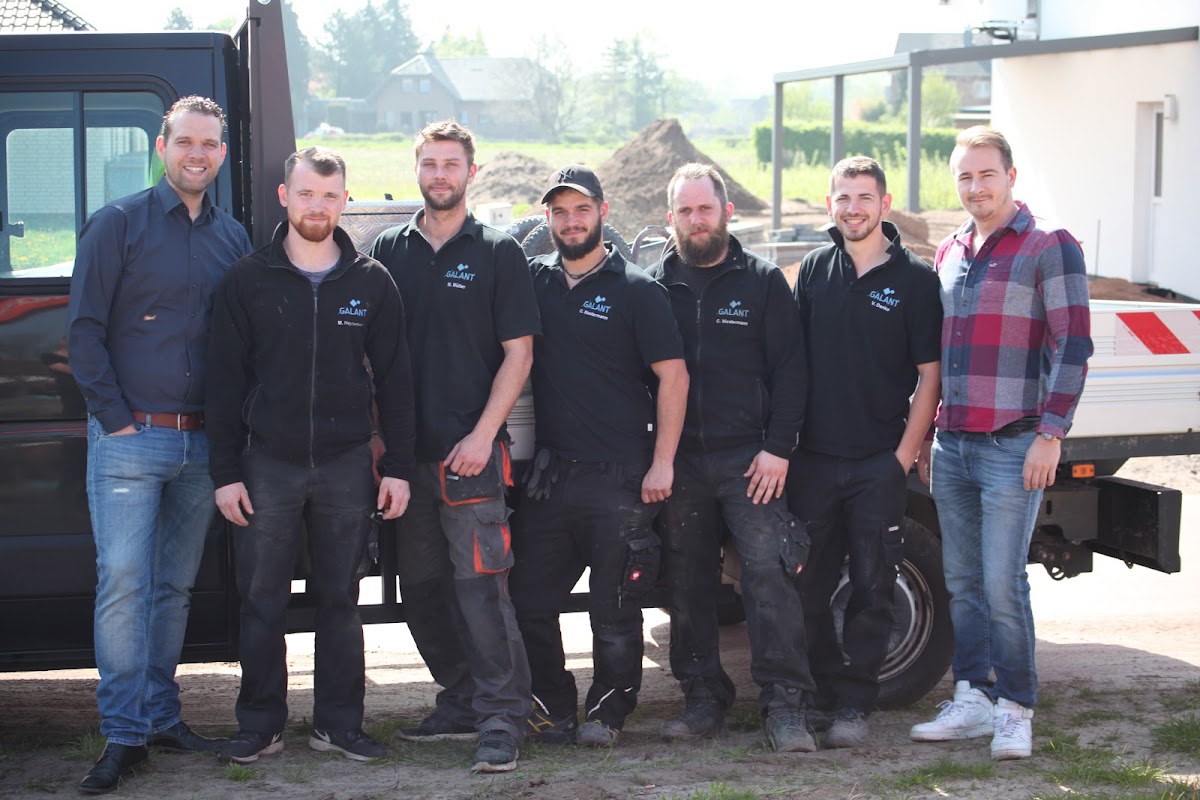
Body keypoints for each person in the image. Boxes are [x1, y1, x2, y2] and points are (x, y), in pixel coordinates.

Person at [204, 146, 414, 765]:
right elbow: (223, 384)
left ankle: (339, 725)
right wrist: (225, 473)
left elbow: (396, 381)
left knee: (340, 598)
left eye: (328, 196)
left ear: (344, 201)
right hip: (266, 462)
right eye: (305, 194)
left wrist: (398, 467)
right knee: (261, 599)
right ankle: (260, 725)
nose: (316, 206)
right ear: (284, 197)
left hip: (347, 463)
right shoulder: (247, 280)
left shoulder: (372, 282)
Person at [66, 95, 251, 794]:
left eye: (208, 144)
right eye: (184, 142)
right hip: (130, 438)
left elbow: (240, 343)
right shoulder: (118, 224)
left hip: (201, 446)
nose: (196, 154)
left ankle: (160, 716)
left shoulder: (232, 237)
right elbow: (83, 329)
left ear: (222, 153)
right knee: (123, 582)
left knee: (173, 587)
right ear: (161, 146)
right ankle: (122, 735)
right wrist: (115, 419)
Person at [910, 126, 1092, 760]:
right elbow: (938, 357)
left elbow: (1073, 345)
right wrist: (927, 436)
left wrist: (1051, 433)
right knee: (961, 581)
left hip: (1014, 446)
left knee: (1002, 585)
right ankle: (972, 697)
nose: (976, 186)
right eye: (964, 176)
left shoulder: (1048, 245)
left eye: (986, 174)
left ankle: (1015, 708)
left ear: (1010, 176)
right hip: (952, 446)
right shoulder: (950, 251)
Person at [368, 120, 539, 773]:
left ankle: (502, 718)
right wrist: (379, 438)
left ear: (472, 172)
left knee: (481, 591)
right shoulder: (388, 249)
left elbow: (519, 354)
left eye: (451, 164)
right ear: (417, 170)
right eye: (430, 164)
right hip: (405, 460)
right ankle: (463, 697)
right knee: (421, 589)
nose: (440, 175)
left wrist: (482, 435)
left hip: (470, 458)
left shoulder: (498, 252)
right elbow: (370, 355)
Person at [509, 165, 688, 748]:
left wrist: (662, 462)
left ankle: (607, 715)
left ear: (602, 213)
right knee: (527, 599)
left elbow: (674, 377)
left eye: (581, 210)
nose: (571, 221)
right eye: (560, 212)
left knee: (613, 610)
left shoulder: (638, 291)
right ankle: (554, 707)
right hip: (551, 477)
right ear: (547, 219)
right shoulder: (534, 282)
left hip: (621, 478)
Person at [646, 163, 816, 753]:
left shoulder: (763, 283)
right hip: (681, 464)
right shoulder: (653, 287)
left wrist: (778, 449)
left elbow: (792, 373)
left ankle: (785, 706)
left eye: (705, 209)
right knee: (687, 583)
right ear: (670, 218)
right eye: (685, 211)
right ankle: (703, 700)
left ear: (726, 212)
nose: (696, 220)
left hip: (751, 462)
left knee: (768, 580)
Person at [786, 157, 942, 749]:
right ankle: (823, 693)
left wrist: (901, 456)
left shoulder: (915, 280)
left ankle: (855, 705)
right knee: (807, 588)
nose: (853, 208)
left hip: (877, 462)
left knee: (873, 589)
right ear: (831, 204)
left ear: (885, 203)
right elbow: (792, 362)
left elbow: (930, 375)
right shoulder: (815, 270)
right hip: (814, 462)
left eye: (864, 197)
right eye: (844, 198)